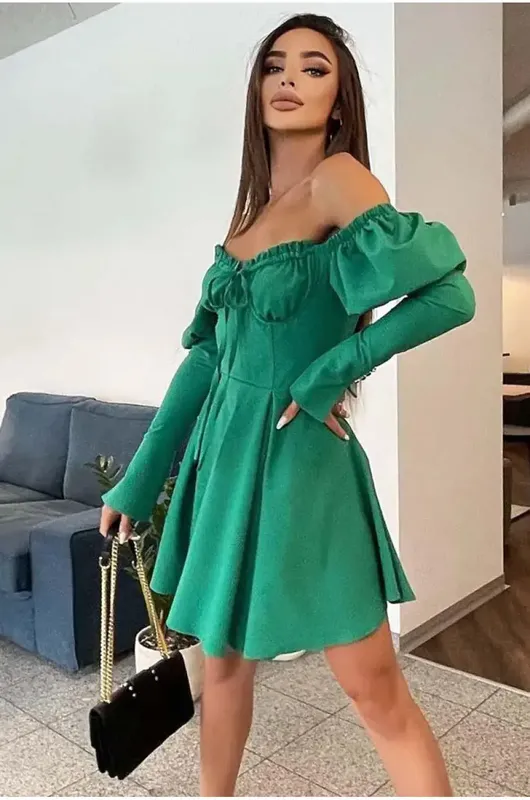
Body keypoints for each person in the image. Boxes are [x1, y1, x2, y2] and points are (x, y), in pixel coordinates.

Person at [100, 13, 475, 797]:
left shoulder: (340, 179)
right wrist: (140, 476)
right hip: (225, 460)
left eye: (313, 68)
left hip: (302, 463)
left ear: (339, 100)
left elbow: (451, 294)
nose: (289, 80)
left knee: (372, 688)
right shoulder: (249, 215)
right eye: (275, 66)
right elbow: (209, 357)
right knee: (221, 667)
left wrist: (335, 368)